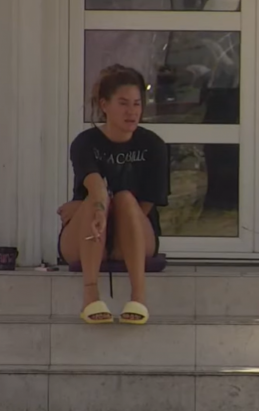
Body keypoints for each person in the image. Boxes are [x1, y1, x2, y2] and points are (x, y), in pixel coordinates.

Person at [57, 64, 169, 325]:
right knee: (97, 200)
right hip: (87, 233)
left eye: (137, 104)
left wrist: (87, 208)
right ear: (104, 105)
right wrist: (96, 208)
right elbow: (95, 184)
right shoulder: (85, 142)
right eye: (123, 103)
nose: (132, 111)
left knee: (125, 198)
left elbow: (145, 205)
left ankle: (138, 297)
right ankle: (90, 296)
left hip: (133, 234)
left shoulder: (153, 145)